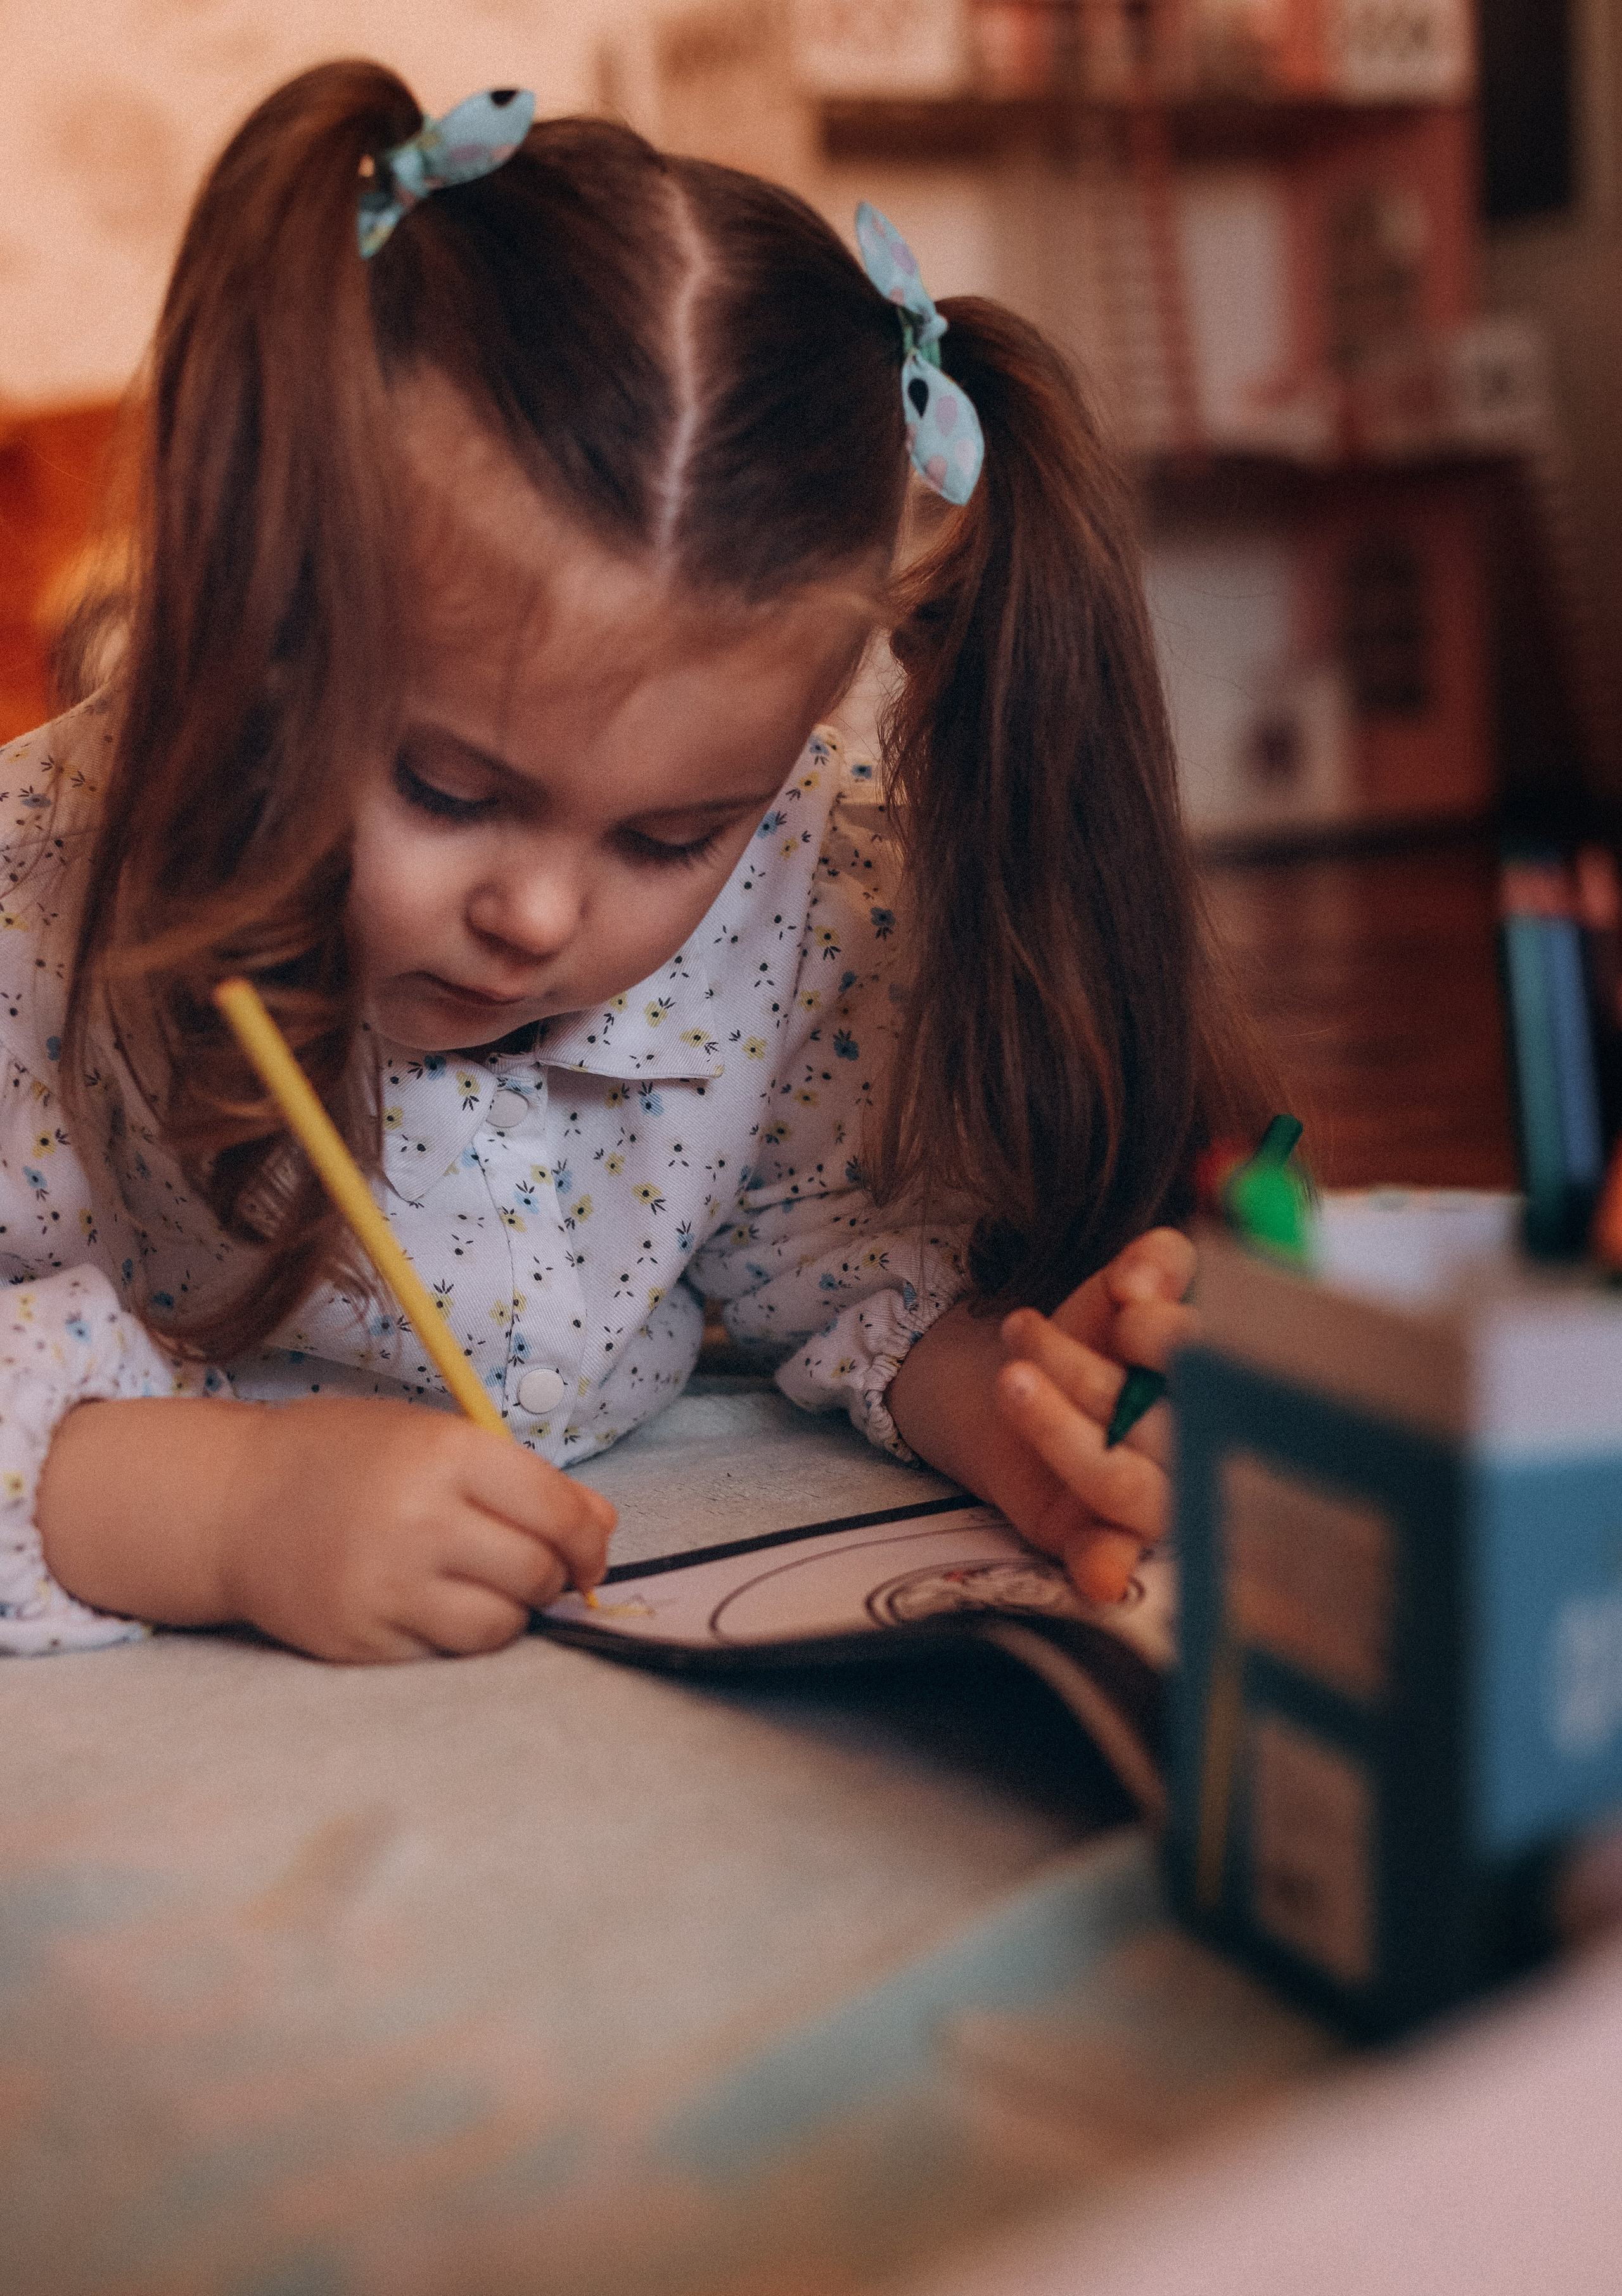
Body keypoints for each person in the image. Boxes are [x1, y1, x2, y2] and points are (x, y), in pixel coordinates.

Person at [0, 62, 1268, 1665]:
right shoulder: (33, 911)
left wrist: (1022, 1417)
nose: (535, 917)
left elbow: (823, 1261)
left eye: (671, 838)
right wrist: (211, 1508)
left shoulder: (801, 877)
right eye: (449, 790)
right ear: (248, 625)